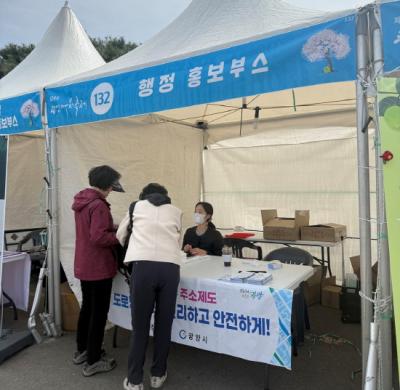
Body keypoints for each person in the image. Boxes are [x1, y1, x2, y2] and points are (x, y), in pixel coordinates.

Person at [117, 183, 182, 390]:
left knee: (140, 326)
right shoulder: (176, 211)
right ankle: (158, 374)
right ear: (166, 196)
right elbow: (176, 240)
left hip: (143, 267)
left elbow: (120, 235)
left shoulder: (135, 207)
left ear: (143, 196)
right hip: (170, 268)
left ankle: (135, 380)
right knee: (164, 324)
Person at [72, 165, 124, 377]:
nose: (113, 189)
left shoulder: (82, 201)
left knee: (87, 309)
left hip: (84, 263)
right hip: (98, 267)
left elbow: (93, 231)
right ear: (107, 184)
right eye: (112, 185)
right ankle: (93, 360)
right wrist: (120, 236)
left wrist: (113, 227)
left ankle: (82, 350)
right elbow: (99, 237)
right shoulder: (99, 205)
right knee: (98, 313)